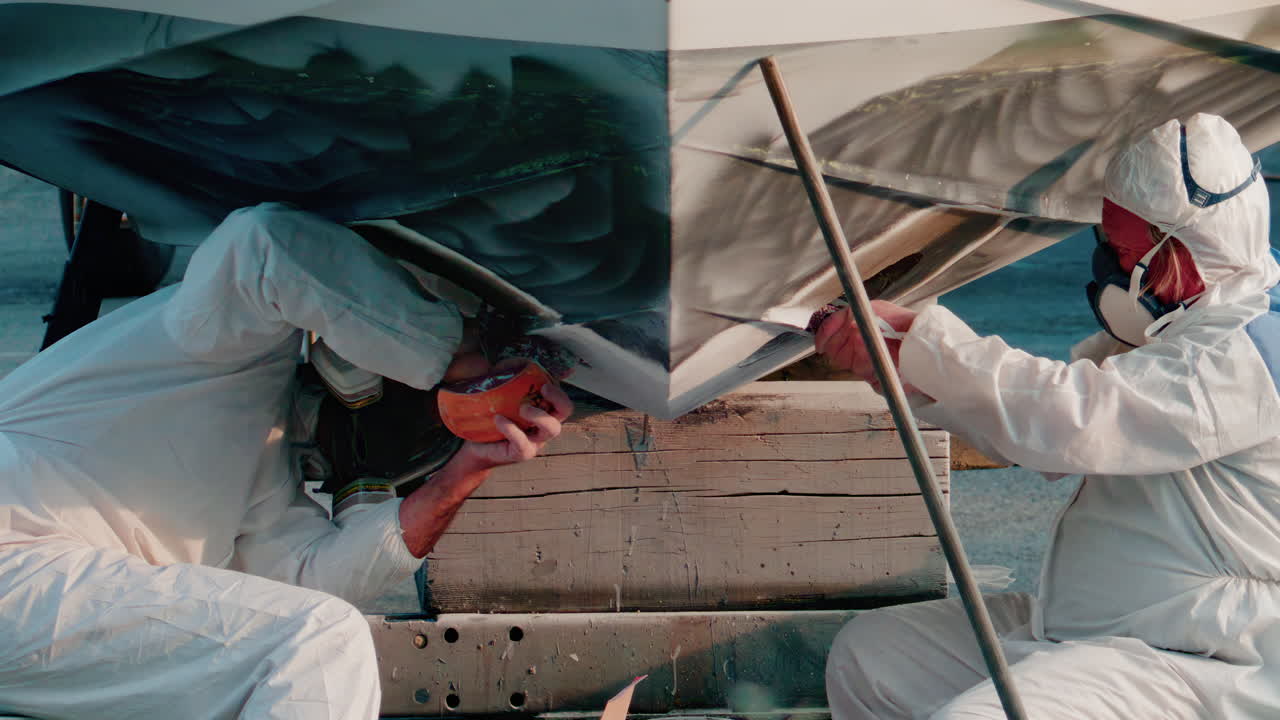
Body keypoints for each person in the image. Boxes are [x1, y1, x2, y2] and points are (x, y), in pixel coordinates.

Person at [0, 202, 573, 719]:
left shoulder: (264, 485)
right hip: (14, 546)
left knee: (312, 638)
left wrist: (461, 473)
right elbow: (262, 241)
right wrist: (462, 355)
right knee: (319, 644)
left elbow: (319, 582)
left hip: (49, 592)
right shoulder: (211, 345)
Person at [817, 113, 1280, 718]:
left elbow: (1077, 420)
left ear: (1181, 254)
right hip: (1098, 623)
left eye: (1119, 249)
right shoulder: (1184, 329)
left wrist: (926, 343)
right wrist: (907, 370)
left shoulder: (1250, 352)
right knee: (872, 659)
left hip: (1198, 655)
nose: (1107, 264)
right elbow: (1038, 439)